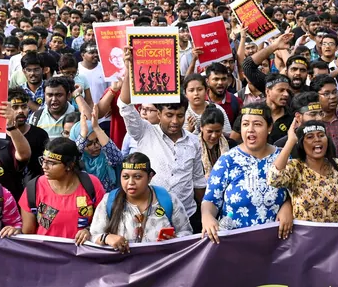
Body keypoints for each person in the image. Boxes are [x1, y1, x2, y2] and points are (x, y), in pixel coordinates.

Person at [119, 47, 206, 234]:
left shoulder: (193, 141)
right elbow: (125, 106)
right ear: (159, 114)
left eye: (180, 116)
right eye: (169, 115)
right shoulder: (145, 132)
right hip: (150, 216)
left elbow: (198, 181)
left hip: (188, 216)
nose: (175, 121)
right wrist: (128, 69)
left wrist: (205, 214)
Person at [201, 103, 293, 243]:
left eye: (257, 124)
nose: (250, 130)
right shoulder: (227, 161)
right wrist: (207, 217)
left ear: (269, 128)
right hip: (235, 244)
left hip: (277, 245)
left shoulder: (284, 158)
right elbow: (210, 201)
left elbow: (298, 193)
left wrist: (289, 205)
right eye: (245, 124)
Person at [90, 153, 193, 252]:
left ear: (150, 177)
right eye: (125, 177)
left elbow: (187, 232)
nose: (130, 182)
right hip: (122, 268)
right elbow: (93, 235)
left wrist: (175, 240)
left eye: (137, 177)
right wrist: (107, 238)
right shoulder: (109, 201)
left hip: (161, 266)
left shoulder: (168, 200)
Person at [17, 138, 106, 244]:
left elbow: (104, 221)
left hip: (82, 256)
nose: (44, 166)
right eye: (43, 160)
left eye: (52, 163)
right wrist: (16, 231)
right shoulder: (34, 188)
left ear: (70, 165)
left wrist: (88, 231)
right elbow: (28, 233)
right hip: (46, 256)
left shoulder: (91, 184)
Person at [268, 120, 338, 223]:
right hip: (304, 235)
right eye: (310, 137)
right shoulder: (295, 166)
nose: (317, 139)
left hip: (335, 235)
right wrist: (291, 141)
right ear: (301, 143)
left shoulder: (337, 164)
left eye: (321, 135)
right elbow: (273, 179)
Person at [70, 107, 123, 192]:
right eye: (89, 143)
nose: (96, 146)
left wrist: (97, 128)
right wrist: (83, 133)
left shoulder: (106, 155)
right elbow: (70, 156)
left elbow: (118, 158)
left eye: (98, 141)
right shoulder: (77, 162)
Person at [199, 104, 236, 177]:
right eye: (209, 131)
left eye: (218, 131)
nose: (214, 135)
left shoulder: (231, 145)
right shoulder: (194, 146)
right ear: (201, 127)